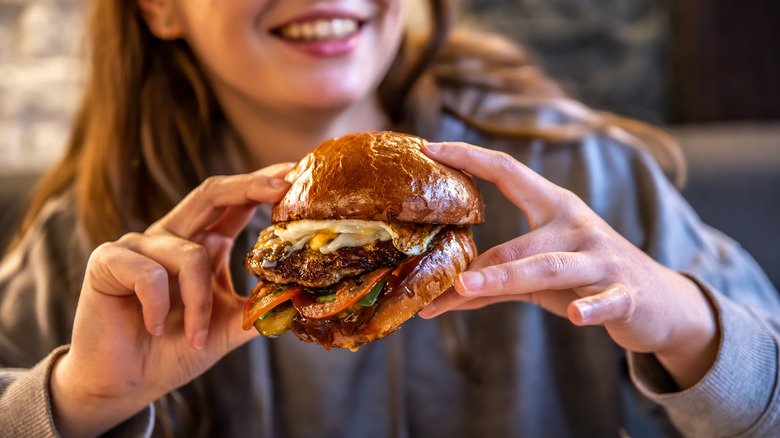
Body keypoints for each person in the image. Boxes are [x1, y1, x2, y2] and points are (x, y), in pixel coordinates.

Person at [1, 0, 778, 437]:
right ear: (161, 9)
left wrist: (682, 323)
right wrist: (77, 402)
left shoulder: (582, 178)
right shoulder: (93, 249)